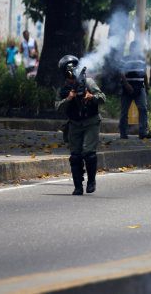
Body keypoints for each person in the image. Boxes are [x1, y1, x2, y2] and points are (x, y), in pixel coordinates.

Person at [56, 55, 106, 195]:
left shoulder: (88, 82)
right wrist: (69, 99)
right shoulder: (63, 89)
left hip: (91, 122)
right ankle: (78, 187)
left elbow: (103, 98)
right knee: (75, 156)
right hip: (74, 124)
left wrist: (92, 97)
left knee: (89, 153)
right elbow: (58, 107)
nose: (71, 76)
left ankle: (91, 181)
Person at [119, 42, 151, 140]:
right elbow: (121, 73)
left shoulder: (142, 59)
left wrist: (147, 86)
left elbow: (144, 73)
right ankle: (123, 133)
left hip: (140, 88)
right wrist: (127, 85)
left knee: (143, 109)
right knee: (124, 111)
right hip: (127, 88)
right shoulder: (125, 59)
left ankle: (142, 132)